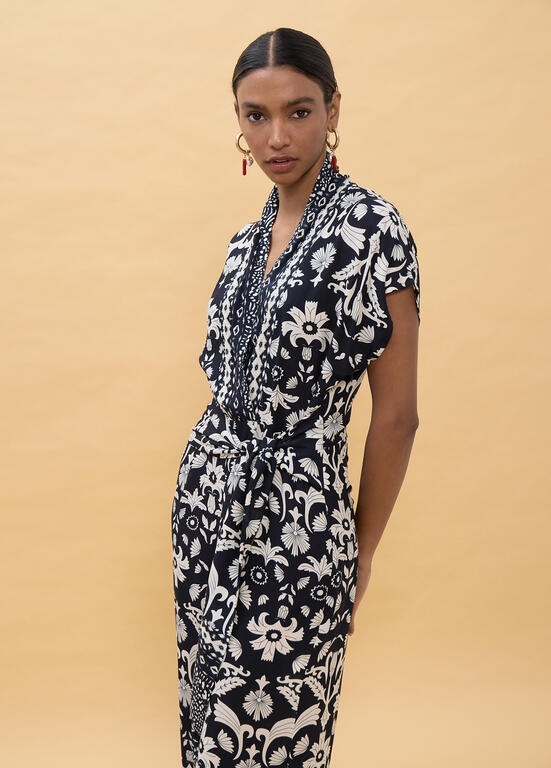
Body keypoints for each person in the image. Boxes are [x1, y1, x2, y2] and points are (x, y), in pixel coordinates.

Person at [171, 26, 421, 768]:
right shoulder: (244, 243)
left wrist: (359, 552)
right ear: (238, 121)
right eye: (256, 115)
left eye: (298, 111)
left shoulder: (374, 231)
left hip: (299, 532)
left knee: (283, 734)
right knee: (209, 730)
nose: (275, 137)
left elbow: (398, 417)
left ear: (333, 109)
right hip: (206, 517)